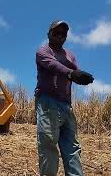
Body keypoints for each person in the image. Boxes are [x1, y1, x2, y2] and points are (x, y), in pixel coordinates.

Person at [35, 20, 94, 176]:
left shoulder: (70, 55)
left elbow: (76, 72)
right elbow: (54, 66)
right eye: (56, 33)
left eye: (63, 34)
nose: (60, 36)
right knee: (48, 145)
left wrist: (80, 76)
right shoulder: (43, 51)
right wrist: (72, 74)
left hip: (66, 105)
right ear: (49, 34)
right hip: (48, 103)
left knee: (72, 148)